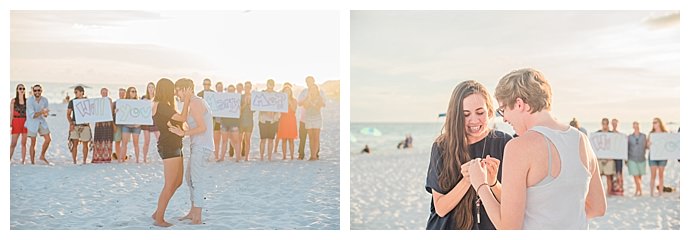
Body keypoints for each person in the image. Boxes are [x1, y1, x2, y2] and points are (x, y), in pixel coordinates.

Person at [467, 68, 606, 229]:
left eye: (503, 110)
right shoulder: (581, 140)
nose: (504, 118)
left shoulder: (519, 147)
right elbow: (598, 208)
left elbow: (509, 229)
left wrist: (480, 185)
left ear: (519, 104)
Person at [425, 80, 512, 230]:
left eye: (480, 112)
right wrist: (468, 179)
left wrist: (491, 183)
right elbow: (441, 208)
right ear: (456, 115)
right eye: (465, 114)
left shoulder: (505, 143)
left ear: (490, 111)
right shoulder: (442, 146)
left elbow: (511, 204)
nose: (474, 120)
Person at [169, 78, 214, 225]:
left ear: (186, 89)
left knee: (196, 180)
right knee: (189, 178)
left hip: (202, 147)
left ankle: (197, 217)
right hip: (198, 146)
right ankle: (193, 211)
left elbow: (202, 127)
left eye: (178, 90)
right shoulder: (193, 102)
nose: (177, 94)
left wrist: (183, 134)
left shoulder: (195, 103)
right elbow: (193, 125)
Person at [150, 78, 191, 227]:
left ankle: (157, 212)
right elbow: (182, 118)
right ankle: (159, 219)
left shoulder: (164, 106)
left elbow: (179, 122)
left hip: (174, 145)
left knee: (178, 182)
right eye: (172, 89)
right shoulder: (161, 106)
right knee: (169, 184)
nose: (174, 92)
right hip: (169, 147)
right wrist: (186, 100)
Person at [297, 76, 324, 160]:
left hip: (315, 117)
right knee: (303, 137)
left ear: (314, 81)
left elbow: (322, 104)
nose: (309, 83)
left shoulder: (320, 92)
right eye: (307, 81)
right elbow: (300, 103)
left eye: (310, 81)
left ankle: (315, 154)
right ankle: (301, 155)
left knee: (315, 137)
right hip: (304, 118)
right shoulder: (304, 92)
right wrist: (307, 97)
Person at [25, 84, 52, 165]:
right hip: (32, 122)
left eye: (38, 90)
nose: (37, 92)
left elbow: (45, 115)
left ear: (41, 91)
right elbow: (32, 115)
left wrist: (46, 113)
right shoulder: (29, 100)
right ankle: (32, 162)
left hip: (41, 121)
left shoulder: (45, 100)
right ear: (33, 91)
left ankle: (42, 156)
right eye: (35, 90)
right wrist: (42, 112)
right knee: (33, 142)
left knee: (48, 139)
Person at [66, 86, 92, 164]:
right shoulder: (72, 102)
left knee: (85, 144)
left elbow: (91, 114)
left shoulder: (87, 101)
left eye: (76, 92)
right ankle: (74, 161)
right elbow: (68, 114)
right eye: (74, 92)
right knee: (75, 144)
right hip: (75, 125)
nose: (75, 94)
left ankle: (84, 160)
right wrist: (71, 123)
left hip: (85, 125)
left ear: (82, 92)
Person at [258, 79, 280, 161]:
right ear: (267, 84)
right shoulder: (262, 93)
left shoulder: (276, 95)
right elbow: (258, 105)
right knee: (263, 139)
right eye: (269, 84)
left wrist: (274, 113)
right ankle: (261, 157)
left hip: (273, 120)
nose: (270, 85)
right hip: (263, 120)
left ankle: (270, 157)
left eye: (272, 84)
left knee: (271, 139)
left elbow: (279, 107)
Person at [218, 84, 241, 162]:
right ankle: (222, 157)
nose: (231, 91)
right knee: (224, 141)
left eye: (232, 90)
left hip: (234, 122)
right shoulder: (223, 98)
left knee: (236, 140)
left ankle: (238, 157)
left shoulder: (237, 98)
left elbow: (240, 110)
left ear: (234, 90)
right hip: (224, 122)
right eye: (229, 90)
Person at [647, 117, 669, 197]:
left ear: (660, 123)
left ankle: (660, 192)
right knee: (653, 175)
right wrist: (648, 144)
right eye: (653, 122)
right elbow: (647, 146)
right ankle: (651, 193)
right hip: (653, 156)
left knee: (661, 175)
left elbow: (668, 145)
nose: (654, 124)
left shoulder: (665, 133)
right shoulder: (651, 133)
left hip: (662, 157)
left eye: (655, 122)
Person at [120, 87, 142, 163]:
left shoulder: (139, 102)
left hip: (136, 126)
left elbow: (142, 114)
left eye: (135, 91)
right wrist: (117, 111)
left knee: (136, 143)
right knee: (124, 143)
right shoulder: (124, 102)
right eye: (132, 91)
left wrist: (139, 124)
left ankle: (137, 160)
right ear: (129, 92)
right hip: (126, 126)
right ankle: (122, 159)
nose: (134, 93)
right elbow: (121, 113)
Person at [277, 85, 298, 160]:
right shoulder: (281, 100)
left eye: (288, 90)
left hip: (291, 120)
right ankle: (284, 156)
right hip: (283, 119)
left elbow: (294, 110)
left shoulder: (294, 100)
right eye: (285, 91)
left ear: (291, 92)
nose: (287, 92)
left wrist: (289, 102)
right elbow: (278, 110)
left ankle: (292, 156)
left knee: (291, 139)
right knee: (284, 139)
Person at [92, 88, 113, 163]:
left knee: (107, 139)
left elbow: (112, 111)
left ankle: (107, 157)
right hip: (99, 123)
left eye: (106, 92)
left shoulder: (110, 100)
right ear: (101, 93)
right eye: (103, 92)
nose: (104, 93)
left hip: (108, 123)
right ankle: (97, 157)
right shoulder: (97, 101)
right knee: (98, 139)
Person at [141, 82, 160, 163]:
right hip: (146, 121)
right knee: (147, 141)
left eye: (152, 87)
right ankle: (144, 158)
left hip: (155, 120)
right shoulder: (144, 98)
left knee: (159, 139)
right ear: (147, 89)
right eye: (149, 87)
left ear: (154, 89)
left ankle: (163, 156)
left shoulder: (157, 98)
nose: (151, 89)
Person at [596, 118, 615, 195]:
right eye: (603, 123)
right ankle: (599, 193)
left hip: (609, 159)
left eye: (606, 124)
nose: (604, 125)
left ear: (608, 124)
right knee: (598, 177)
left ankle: (609, 193)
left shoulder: (612, 134)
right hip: (600, 159)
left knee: (609, 177)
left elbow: (614, 147)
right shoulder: (597, 133)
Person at [627, 121, 647, 196]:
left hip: (641, 158)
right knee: (635, 175)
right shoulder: (629, 137)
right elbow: (627, 147)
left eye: (637, 125)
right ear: (633, 127)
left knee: (639, 176)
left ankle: (637, 189)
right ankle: (640, 191)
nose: (636, 126)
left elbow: (646, 146)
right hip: (632, 158)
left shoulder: (644, 136)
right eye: (634, 125)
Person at [10, 84, 28, 164]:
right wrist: (10, 123)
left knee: (23, 143)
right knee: (13, 143)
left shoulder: (27, 101)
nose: (22, 90)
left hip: (25, 122)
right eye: (20, 88)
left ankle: (23, 161)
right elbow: (11, 113)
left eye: (23, 88)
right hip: (16, 122)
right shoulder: (13, 101)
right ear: (17, 90)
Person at [239, 81, 254, 161]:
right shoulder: (240, 97)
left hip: (249, 121)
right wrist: (245, 104)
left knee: (247, 140)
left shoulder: (253, 97)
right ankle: (239, 156)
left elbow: (254, 110)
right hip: (241, 121)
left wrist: (249, 104)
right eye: (246, 87)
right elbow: (238, 110)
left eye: (248, 87)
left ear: (250, 88)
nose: (247, 88)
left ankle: (246, 157)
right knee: (240, 140)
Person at [610, 118, 624, 195]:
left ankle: (621, 188)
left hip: (618, 156)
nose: (614, 124)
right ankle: (613, 189)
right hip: (611, 157)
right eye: (613, 123)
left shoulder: (620, 135)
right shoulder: (609, 134)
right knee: (612, 173)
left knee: (619, 173)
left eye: (615, 123)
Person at [113, 88, 126, 161]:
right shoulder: (115, 103)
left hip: (125, 125)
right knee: (117, 141)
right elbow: (111, 114)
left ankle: (123, 157)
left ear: (125, 94)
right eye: (120, 93)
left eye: (123, 93)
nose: (121, 94)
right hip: (117, 125)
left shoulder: (128, 102)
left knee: (124, 142)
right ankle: (118, 157)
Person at [212, 81, 224, 160]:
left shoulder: (226, 96)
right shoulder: (213, 97)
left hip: (224, 122)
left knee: (224, 140)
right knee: (216, 140)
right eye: (218, 87)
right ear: (216, 88)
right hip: (216, 121)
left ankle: (222, 156)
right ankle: (216, 155)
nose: (219, 89)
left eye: (221, 87)